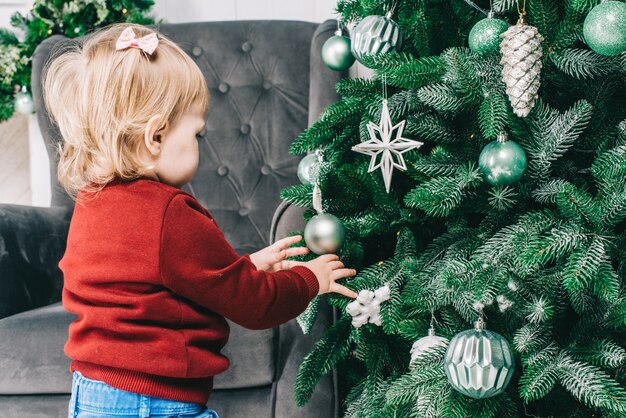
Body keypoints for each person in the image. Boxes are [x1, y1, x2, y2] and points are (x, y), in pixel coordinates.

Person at [43, 23, 357, 418]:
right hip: (152, 404)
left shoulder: (93, 202)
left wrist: (248, 266)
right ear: (155, 137)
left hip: (92, 394)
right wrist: (311, 279)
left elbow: (173, 281)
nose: (199, 146)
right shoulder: (168, 212)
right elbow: (253, 304)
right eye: (196, 134)